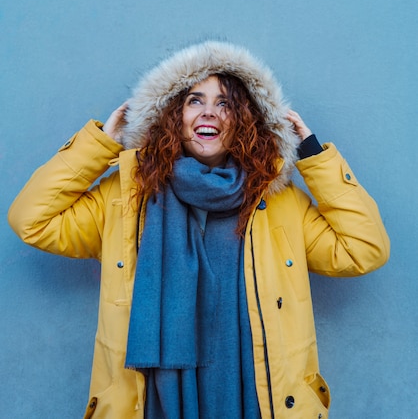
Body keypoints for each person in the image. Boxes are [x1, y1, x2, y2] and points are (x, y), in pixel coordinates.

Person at [8, 41, 390, 419]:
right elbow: (32, 220)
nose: (210, 113)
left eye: (225, 103)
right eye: (195, 100)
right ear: (172, 114)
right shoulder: (126, 199)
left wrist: (313, 155)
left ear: (246, 119)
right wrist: (99, 146)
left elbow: (364, 249)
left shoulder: (278, 201)